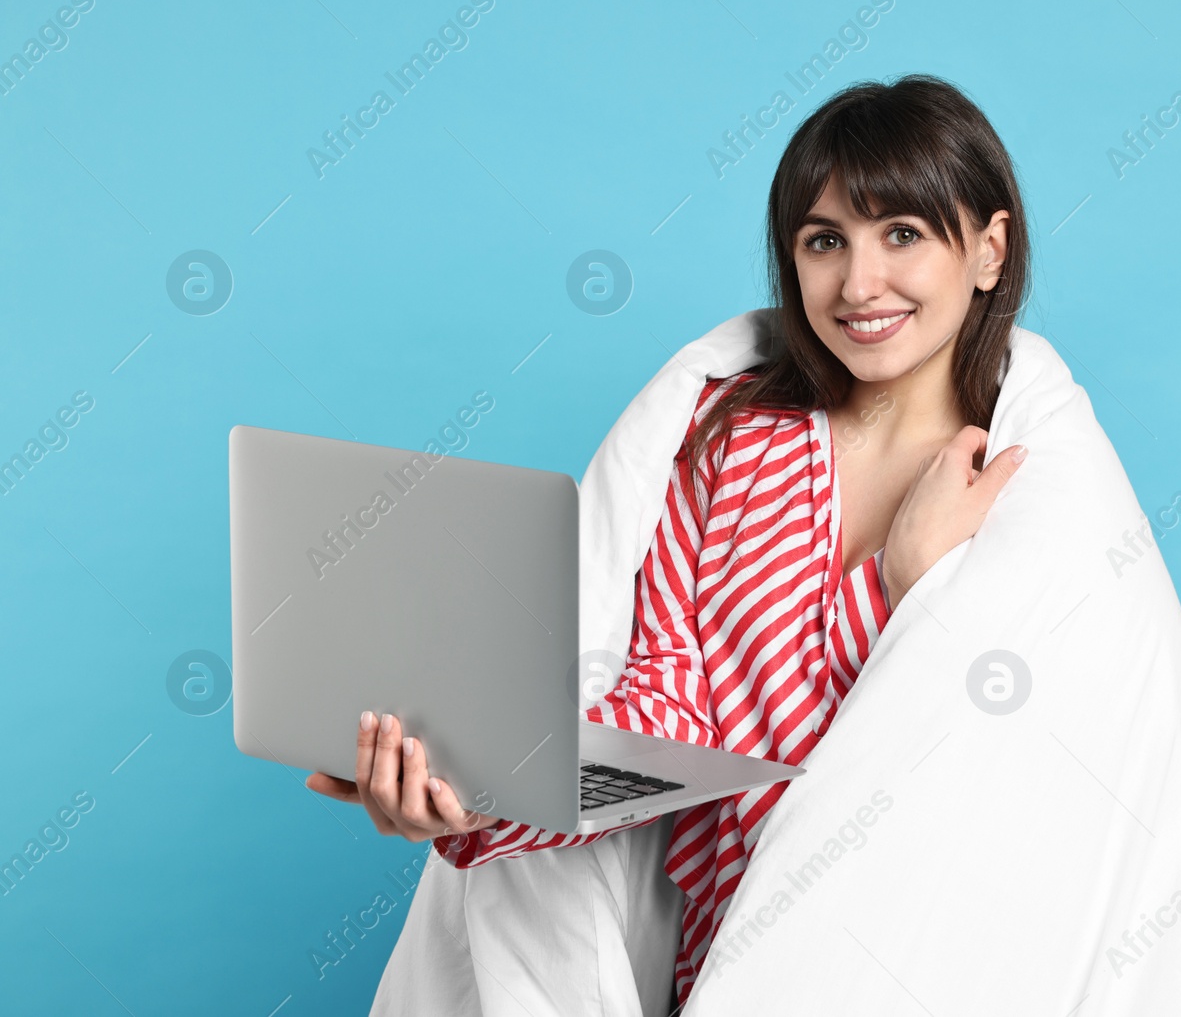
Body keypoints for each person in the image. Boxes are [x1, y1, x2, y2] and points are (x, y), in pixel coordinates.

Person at [306, 72, 1032, 1011]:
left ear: (987, 250)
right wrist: (482, 793)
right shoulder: (733, 441)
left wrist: (901, 584)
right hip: (730, 954)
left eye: (903, 234)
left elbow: (994, 782)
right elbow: (668, 714)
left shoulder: (1028, 484)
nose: (859, 283)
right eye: (824, 241)